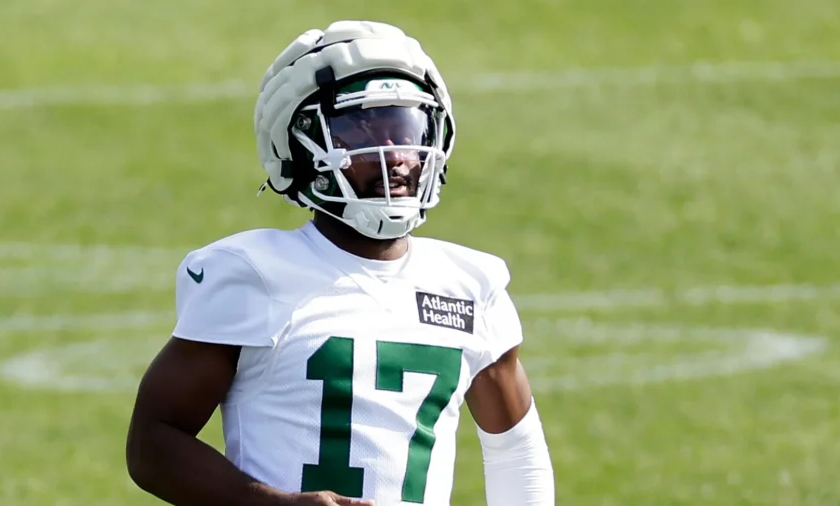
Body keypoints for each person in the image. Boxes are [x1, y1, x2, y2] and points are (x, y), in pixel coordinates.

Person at [125, 20, 555, 506]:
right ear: (300, 147)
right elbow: (153, 443)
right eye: (361, 131)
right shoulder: (255, 274)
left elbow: (516, 452)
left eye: (406, 129)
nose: (396, 154)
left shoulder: (470, 285)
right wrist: (273, 504)